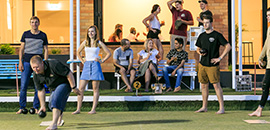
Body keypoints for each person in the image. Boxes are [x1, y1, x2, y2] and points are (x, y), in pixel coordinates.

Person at [30, 55, 81, 130]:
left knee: (55, 100)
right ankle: (59, 116)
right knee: (51, 105)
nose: (36, 70)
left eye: (37, 67)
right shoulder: (36, 75)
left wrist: (73, 87)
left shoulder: (54, 64)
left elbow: (69, 73)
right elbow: (41, 90)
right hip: (53, 87)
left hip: (65, 83)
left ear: (42, 63)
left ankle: (54, 124)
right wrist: (43, 106)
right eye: (33, 68)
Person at [195, 15, 231, 114]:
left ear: (211, 23)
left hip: (213, 65)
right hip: (202, 65)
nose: (205, 24)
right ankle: (204, 107)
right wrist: (200, 52)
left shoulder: (217, 35)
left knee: (216, 86)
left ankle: (221, 108)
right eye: (204, 23)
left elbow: (228, 46)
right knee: (203, 86)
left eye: (207, 22)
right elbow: (198, 48)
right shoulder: (202, 36)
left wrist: (220, 58)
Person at [72, 25, 111, 115]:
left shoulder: (99, 43)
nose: (90, 33)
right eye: (89, 31)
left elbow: (108, 53)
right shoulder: (85, 42)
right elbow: (78, 52)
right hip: (86, 65)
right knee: (81, 88)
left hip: (95, 65)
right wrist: (82, 60)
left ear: (95, 32)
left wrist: (102, 60)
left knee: (95, 88)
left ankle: (93, 109)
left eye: (92, 31)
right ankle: (78, 109)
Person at [16, 16, 48, 114]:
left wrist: (45, 62)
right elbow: (21, 49)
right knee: (24, 85)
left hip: (38, 64)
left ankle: (35, 107)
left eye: (36, 22)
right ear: (30, 23)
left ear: (39, 23)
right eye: (32, 22)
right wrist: (20, 62)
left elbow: (46, 49)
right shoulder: (25, 34)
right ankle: (22, 107)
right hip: (26, 62)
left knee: (37, 86)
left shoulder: (43, 35)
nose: (34, 24)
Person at [248, 8, 270, 117]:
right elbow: (266, 45)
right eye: (267, 15)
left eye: (269, 15)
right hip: (269, 64)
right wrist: (261, 58)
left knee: (265, 85)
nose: (267, 17)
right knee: (265, 85)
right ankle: (259, 109)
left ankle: (259, 109)